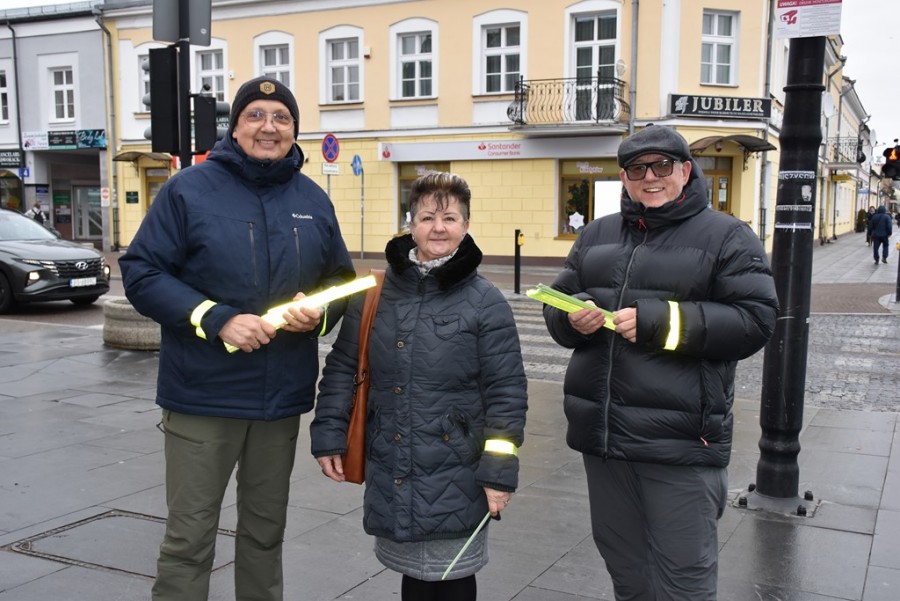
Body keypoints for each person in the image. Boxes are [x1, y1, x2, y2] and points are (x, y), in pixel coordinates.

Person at [120, 76, 355, 601]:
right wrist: (214, 317)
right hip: (204, 395)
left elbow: (340, 283)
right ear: (236, 125)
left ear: (295, 131)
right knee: (190, 537)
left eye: (281, 118)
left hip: (279, 400)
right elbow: (142, 272)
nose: (268, 127)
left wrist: (315, 314)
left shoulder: (313, 200)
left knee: (265, 533)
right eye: (256, 115)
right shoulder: (189, 189)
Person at [541, 125, 778, 600]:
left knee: (683, 580)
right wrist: (573, 319)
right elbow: (557, 305)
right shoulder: (597, 233)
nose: (650, 177)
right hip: (605, 441)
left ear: (686, 171)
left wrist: (657, 321)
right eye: (636, 168)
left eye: (662, 166)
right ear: (624, 177)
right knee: (627, 573)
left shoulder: (728, 235)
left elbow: (754, 321)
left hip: (680, 445)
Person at [311, 172, 528, 601]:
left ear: (466, 225)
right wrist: (328, 436)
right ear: (410, 224)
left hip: (457, 466)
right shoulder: (374, 292)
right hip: (393, 458)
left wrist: (499, 473)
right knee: (414, 576)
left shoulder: (486, 300)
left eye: (450, 217)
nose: (439, 227)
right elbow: (343, 366)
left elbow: (507, 392)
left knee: (453, 575)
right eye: (427, 216)